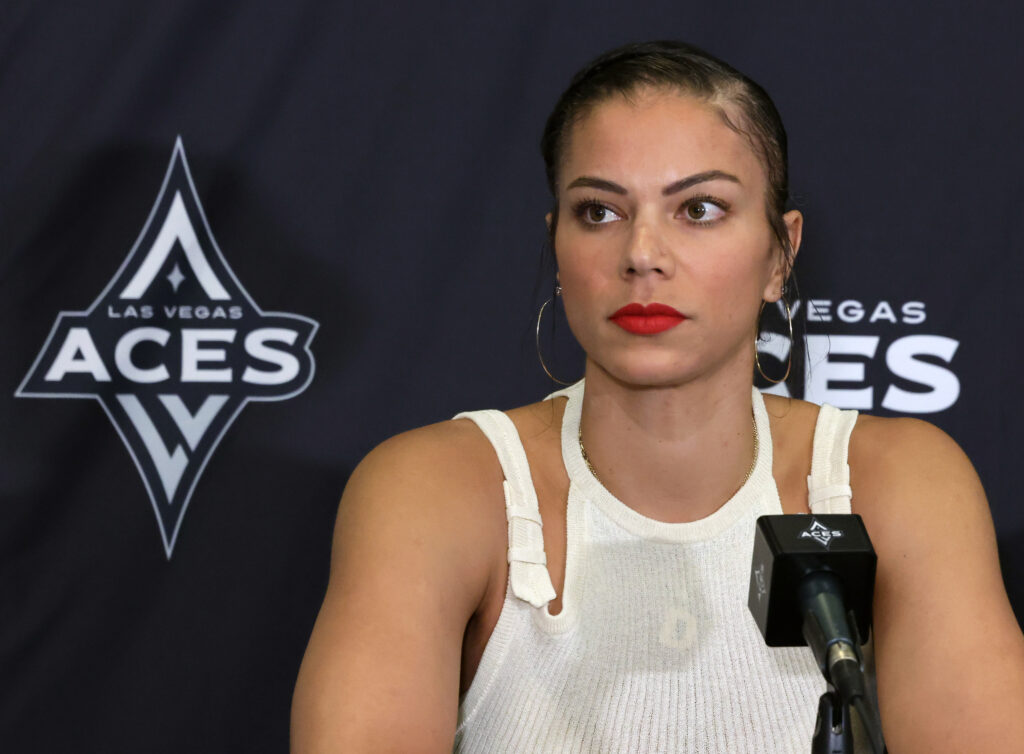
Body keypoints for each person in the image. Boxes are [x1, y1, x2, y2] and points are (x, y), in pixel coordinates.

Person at [290, 41, 1024, 753]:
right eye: (600, 212)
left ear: (781, 253)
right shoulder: (432, 490)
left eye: (698, 209)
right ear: (556, 249)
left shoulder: (901, 481)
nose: (642, 254)